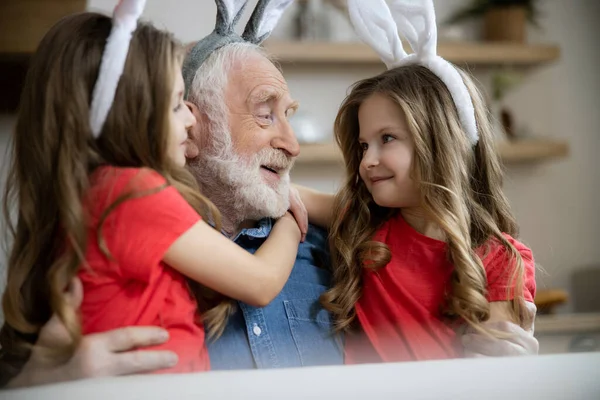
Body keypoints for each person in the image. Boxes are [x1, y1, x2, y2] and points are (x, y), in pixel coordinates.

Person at [0, 0, 305, 381]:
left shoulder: (97, 195)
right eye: (178, 104)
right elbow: (260, 283)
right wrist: (291, 223)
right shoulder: (135, 192)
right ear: (131, 115)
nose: (192, 119)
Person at [298, 0, 538, 363]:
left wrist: (514, 362)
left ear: (441, 141)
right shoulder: (362, 223)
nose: (367, 161)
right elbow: (287, 194)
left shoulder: (501, 259)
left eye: (387, 139)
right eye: (363, 145)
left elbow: (495, 370)